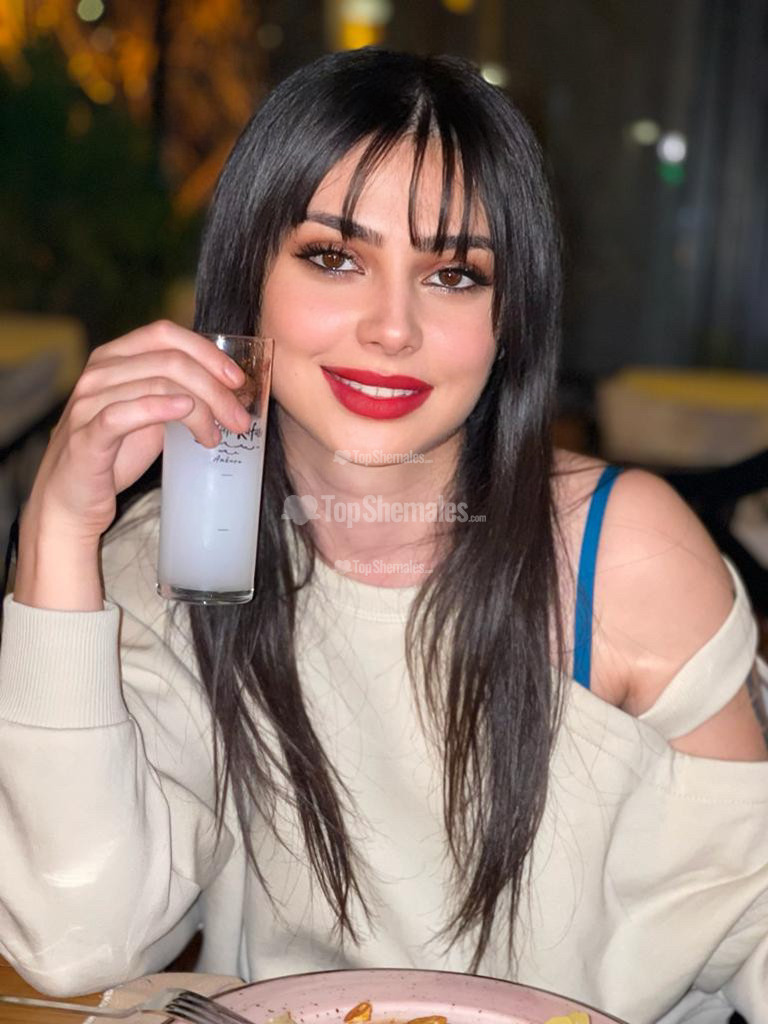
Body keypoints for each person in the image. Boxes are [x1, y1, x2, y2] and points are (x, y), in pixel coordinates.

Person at [0, 47, 766, 1024]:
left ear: (508, 319)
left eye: (453, 273)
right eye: (334, 257)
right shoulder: (177, 557)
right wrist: (57, 533)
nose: (392, 327)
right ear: (246, 279)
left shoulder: (616, 549)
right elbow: (73, 940)